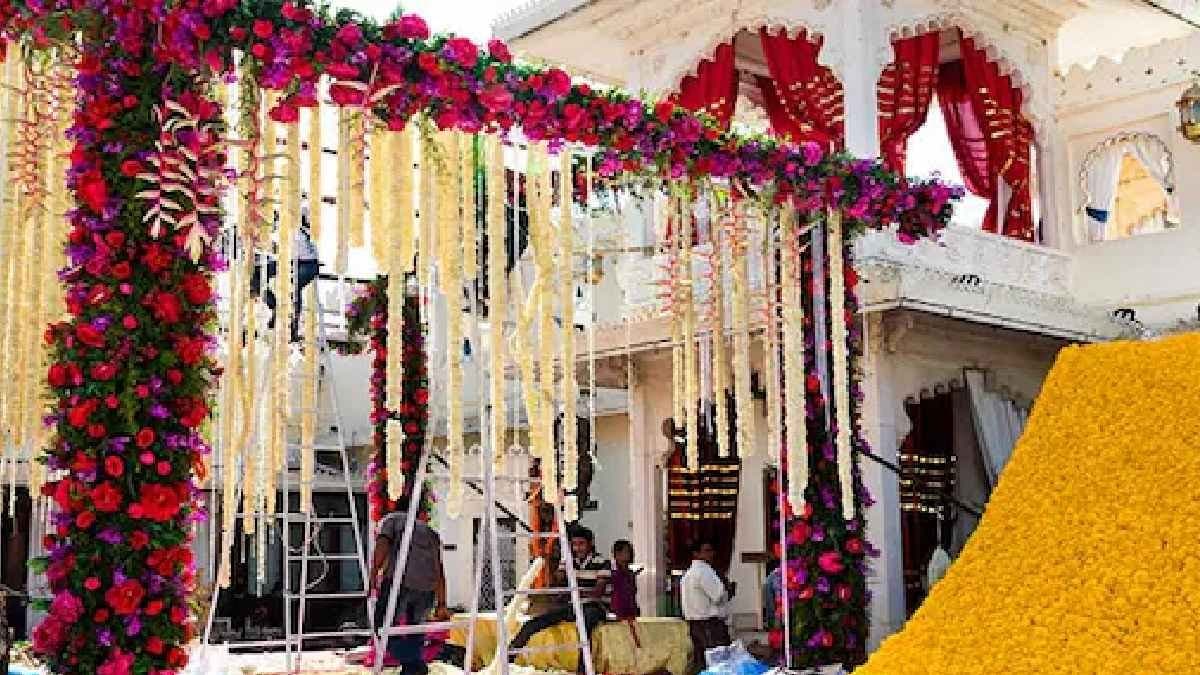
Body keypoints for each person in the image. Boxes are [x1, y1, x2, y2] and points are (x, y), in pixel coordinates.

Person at [368, 494, 449, 675]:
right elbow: (439, 568)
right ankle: (412, 669)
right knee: (416, 631)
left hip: (400, 583)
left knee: (382, 627)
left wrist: (373, 574)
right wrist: (442, 603)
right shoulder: (430, 532)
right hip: (427, 588)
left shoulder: (392, 520)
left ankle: (415, 664)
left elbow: (382, 546)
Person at [509, 526, 609, 660]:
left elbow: (597, 593)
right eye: (574, 544)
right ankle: (508, 657)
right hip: (573, 606)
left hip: (594, 607)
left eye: (581, 544)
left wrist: (573, 593)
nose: (577, 548)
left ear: (590, 544)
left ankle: (584, 666)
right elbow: (557, 582)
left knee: (585, 626)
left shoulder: (602, 562)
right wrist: (551, 560)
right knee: (534, 623)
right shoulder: (568, 561)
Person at [249, 207, 321, 342]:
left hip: (307, 264)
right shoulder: (282, 226)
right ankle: (275, 306)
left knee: (292, 286)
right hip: (289, 261)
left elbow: (287, 247)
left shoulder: (295, 223)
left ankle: (292, 328)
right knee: (255, 274)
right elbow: (276, 248)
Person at [681, 540, 733, 674]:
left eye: (711, 551)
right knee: (718, 663)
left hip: (694, 624)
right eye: (706, 551)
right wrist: (728, 590)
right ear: (696, 553)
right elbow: (718, 595)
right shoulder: (704, 571)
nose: (711, 554)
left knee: (702, 662)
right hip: (709, 624)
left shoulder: (688, 574)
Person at [609, 540, 641, 647]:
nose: (630, 554)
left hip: (631, 607)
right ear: (617, 554)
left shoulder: (630, 573)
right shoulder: (613, 572)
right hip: (618, 608)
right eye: (626, 551)